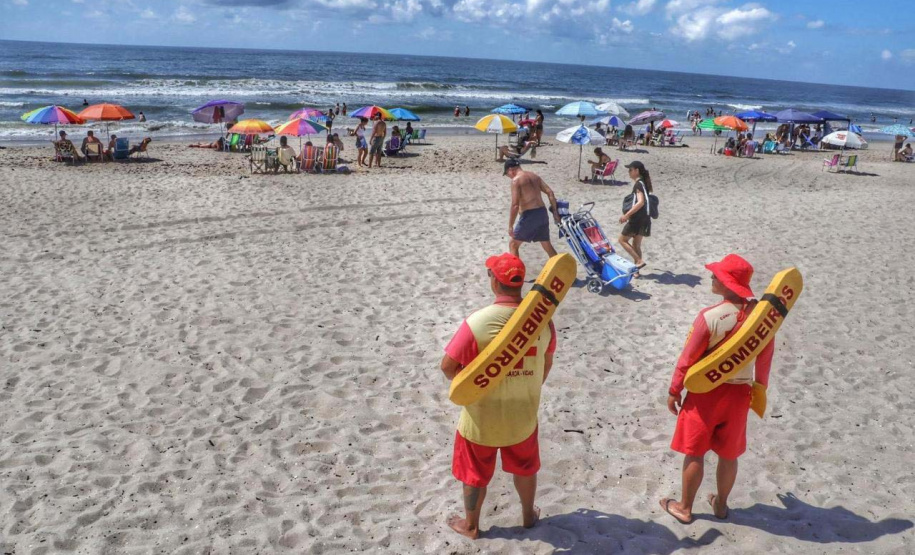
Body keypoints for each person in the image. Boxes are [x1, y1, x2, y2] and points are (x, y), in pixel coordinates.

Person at [441, 253, 557, 539]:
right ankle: (529, 517)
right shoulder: (543, 322)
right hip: (523, 416)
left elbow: (448, 369)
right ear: (520, 284)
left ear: (494, 282)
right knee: (526, 468)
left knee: (475, 473)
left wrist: (481, 380)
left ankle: (471, 526)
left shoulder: (478, 322)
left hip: (481, 419)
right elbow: (546, 363)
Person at [659, 254, 775, 524]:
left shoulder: (709, 317)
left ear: (727, 283)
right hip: (739, 393)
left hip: (705, 392)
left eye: (717, 276)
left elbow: (688, 359)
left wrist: (674, 390)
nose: (712, 277)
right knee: (728, 454)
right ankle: (721, 506)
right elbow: (765, 359)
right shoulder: (761, 320)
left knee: (695, 451)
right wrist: (760, 389)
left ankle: (685, 508)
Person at [504, 159, 560, 258]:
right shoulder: (534, 176)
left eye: (507, 174)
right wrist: (555, 212)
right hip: (542, 213)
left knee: (513, 244)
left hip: (530, 215)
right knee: (546, 244)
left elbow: (515, 205)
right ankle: (561, 268)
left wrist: (510, 225)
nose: (509, 177)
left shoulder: (516, 181)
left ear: (511, 169)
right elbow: (550, 192)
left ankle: (516, 273)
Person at [618, 161, 651, 273]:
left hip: (637, 219)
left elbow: (641, 202)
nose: (629, 172)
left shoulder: (638, 184)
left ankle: (638, 260)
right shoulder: (644, 183)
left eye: (630, 170)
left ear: (636, 171)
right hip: (645, 218)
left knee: (622, 240)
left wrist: (626, 215)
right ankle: (636, 271)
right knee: (636, 245)